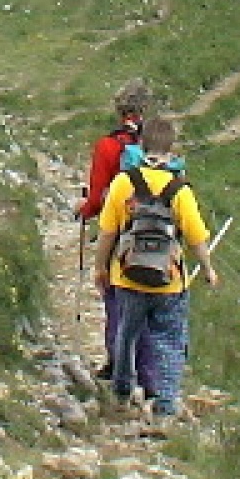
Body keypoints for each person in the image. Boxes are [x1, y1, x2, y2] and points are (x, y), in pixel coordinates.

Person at [94, 115, 218, 423]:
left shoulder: (124, 183)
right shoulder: (180, 189)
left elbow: (107, 232)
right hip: (169, 281)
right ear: (172, 148)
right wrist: (208, 269)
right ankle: (163, 407)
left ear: (141, 144)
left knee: (127, 333)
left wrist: (101, 268)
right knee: (170, 341)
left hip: (127, 275)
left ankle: (122, 394)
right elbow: (196, 237)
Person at [76, 80, 157, 390]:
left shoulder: (108, 146)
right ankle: (152, 378)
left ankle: (119, 369)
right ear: (145, 110)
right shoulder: (157, 147)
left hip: (120, 237)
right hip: (156, 236)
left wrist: (83, 211)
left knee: (116, 301)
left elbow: (97, 200)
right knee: (151, 303)